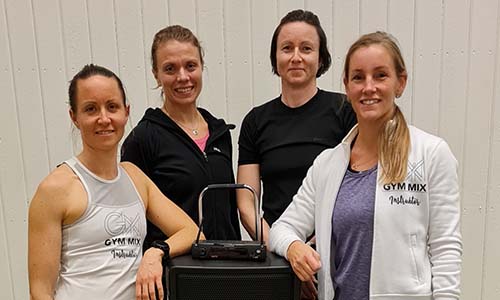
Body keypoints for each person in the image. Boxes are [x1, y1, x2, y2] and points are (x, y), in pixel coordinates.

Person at [269, 31, 462, 300]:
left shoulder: (431, 154)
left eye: (380, 75)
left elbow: (445, 249)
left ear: (400, 82)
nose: (368, 87)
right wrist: (293, 247)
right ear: (347, 86)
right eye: (358, 77)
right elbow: (281, 228)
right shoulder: (327, 164)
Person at [28, 64, 200, 300]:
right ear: (74, 117)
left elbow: (190, 231)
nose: (104, 118)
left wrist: (155, 252)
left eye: (112, 107)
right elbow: (40, 291)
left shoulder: (135, 177)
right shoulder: (56, 188)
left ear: (126, 112)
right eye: (91, 109)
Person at [237, 9, 356, 244]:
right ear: (275, 58)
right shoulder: (255, 121)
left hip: (334, 248)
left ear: (321, 59)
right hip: (276, 252)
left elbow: (359, 187)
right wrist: (280, 246)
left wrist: (318, 244)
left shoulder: (345, 110)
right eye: (287, 48)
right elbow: (246, 203)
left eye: (306, 48)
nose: (296, 57)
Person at [121, 25, 241, 248]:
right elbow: (132, 221)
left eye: (190, 66)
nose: (183, 77)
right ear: (156, 74)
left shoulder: (220, 133)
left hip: (227, 271)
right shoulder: (143, 138)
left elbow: (229, 211)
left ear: (202, 67)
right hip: (178, 272)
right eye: (170, 69)